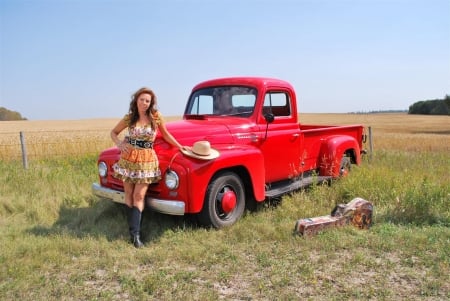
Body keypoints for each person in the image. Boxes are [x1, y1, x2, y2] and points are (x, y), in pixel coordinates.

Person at [110, 87, 186, 248]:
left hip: (146, 159)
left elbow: (166, 135)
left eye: (147, 101)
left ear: (151, 103)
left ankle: (137, 237)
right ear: (136, 100)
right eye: (142, 99)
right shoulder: (129, 118)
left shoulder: (156, 117)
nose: (144, 103)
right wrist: (119, 144)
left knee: (139, 195)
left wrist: (181, 147)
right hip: (128, 157)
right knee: (128, 194)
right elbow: (114, 132)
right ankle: (132, 232)